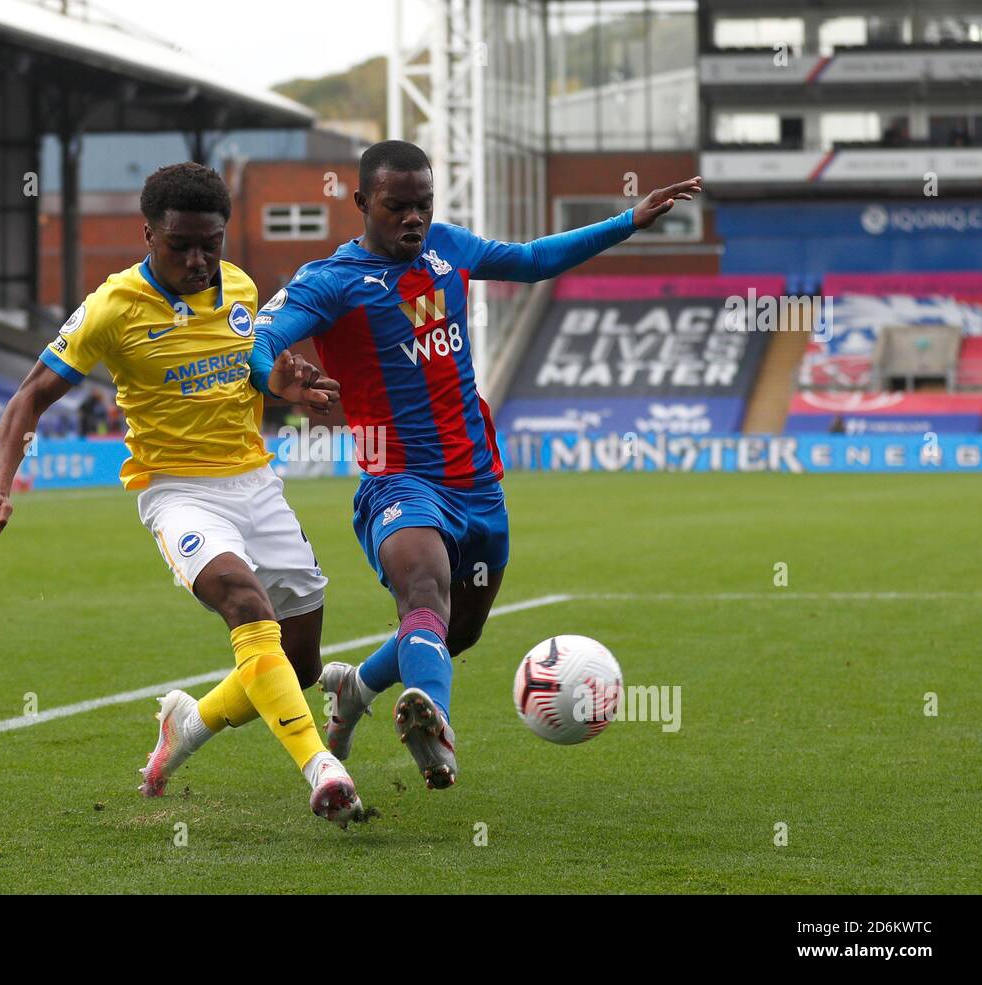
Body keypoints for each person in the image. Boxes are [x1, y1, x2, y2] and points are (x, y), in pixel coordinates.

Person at [249, 140, 701, 789]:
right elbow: (263, 339)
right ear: (361, 204)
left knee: (453, 633)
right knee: (423, 590)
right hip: (396, 479)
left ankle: (357, 690)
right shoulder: (331, 282)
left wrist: (628, 220)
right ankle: (435, 727)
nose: (413, 218)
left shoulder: (447, 249)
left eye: (423, 205)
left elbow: (532, 260)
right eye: (396, 206)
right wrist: (275, 376)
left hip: (478, 481)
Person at [0, 163, 364, 827]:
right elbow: (30, 393)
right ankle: (322, 768)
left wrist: (283, 387)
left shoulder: (239, 287)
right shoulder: (112, 307)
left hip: (257, 485)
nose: (199, 259)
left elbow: (252, 371)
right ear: (148, 233)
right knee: (244, 601)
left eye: (212, 242)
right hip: (177, 492)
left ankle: (190, 722)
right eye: (181, 244)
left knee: (296, 665)